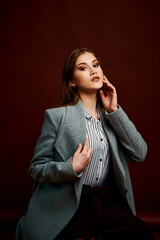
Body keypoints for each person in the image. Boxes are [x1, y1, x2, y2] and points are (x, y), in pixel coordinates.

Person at [16, 48, 155, 240]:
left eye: (95, 65)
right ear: (72, 81)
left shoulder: (111, 117)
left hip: (104, 201)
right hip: (66, 203)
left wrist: (114, 110)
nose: (93, 71)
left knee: (142, 234)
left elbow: (140, 153)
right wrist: (70, 168)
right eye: (83, 68)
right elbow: (36, 168)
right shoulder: (57, 117)